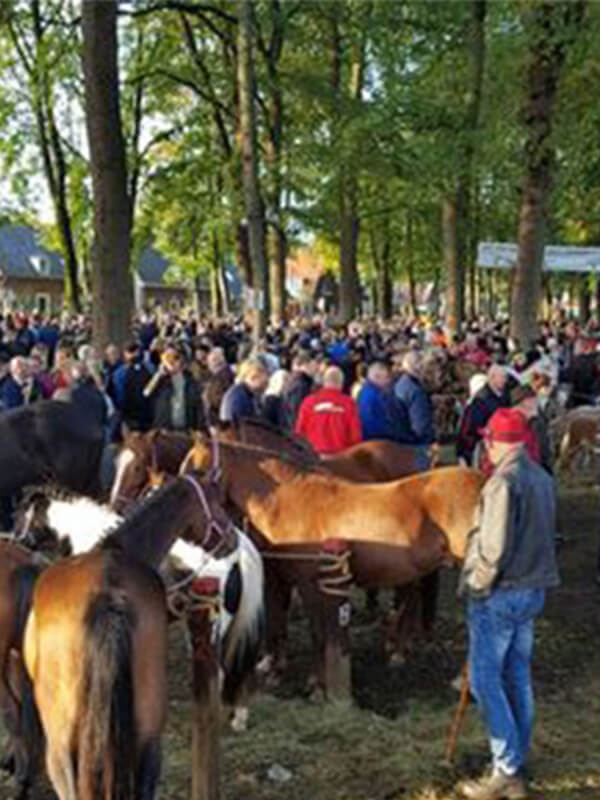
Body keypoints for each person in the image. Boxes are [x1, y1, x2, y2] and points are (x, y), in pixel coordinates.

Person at [458, 408, 559, 800]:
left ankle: (506, 768)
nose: (487, 445)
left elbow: (494, 547)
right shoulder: (542, 477)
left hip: (501, 593)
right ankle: (516, 758)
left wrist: (476, 583)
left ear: (497, 441)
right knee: (517, 675)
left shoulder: (502, 483)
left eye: (489, 439)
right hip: (534, 588)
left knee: (486, 680)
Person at [295, 365, 361, 454]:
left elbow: (300, 432)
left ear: (324, 382)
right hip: (340, 457)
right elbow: (355, 435)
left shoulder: (309, 402)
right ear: (341, 383)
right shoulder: (349, 403)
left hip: (314, 457)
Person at [457, 364, 509, 467]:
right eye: (502, 377)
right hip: (485, 448)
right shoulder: (481, 401)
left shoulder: (504, 395)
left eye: (505, 377)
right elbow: (472, 427)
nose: (505, 380)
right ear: (492, 377)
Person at [148, 346, 206, 432]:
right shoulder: (161, 381)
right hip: (165, 430)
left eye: (176, 358)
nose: (172, 362)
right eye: (168, 358)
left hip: (186, 429)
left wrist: (199, 428)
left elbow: (198, 405)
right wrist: (159, 374)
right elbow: (147, 393)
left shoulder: (191, 381)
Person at [393, 350, 435, 469]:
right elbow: (421, 425)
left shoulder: (399, 384)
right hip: (417, 446)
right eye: (421, 365)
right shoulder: (415, 391)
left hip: (402, 442)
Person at [113, 342, 153, 433]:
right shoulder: (150, 368)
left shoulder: (120, 372)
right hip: (143, 412)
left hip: (134, 413)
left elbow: (119, 393)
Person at [357, 361, 401, 441]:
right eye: (386, 377)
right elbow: (372, 425)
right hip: (377, 443)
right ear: (376, 377)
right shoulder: (372, 396)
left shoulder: (369, 392)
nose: (389, 381)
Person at [220, 357, 268, 426]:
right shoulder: (238, 398)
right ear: (253, 377)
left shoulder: (247, 393)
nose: (265, 386)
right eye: (264, 383)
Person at [282, 350, 318, 429]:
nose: (315, 369)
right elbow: (297, 409)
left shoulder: (292, 380)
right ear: (305, 365)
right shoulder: (301, 384)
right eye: (312, 366)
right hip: (295, 428)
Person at [204, 347, 234, 430]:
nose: (208, 365)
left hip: (219, 421)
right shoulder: (224, 374)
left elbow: (218, 398)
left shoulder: (222, 377)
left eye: (210, 362)